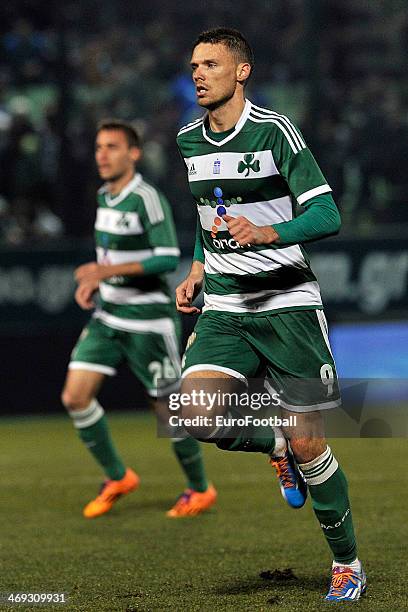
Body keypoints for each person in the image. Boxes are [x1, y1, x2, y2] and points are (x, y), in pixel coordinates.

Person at [175, 28, 365, 601]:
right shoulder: (188, 140)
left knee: (313, 445)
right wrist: (198, 267)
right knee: (194, 411)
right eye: (193, 66)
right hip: (228, 305)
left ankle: (348, 562)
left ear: (242, 71)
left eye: (211, 63)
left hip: (287, 306)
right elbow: (206, 213)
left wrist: (270, 231)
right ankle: (272, 444)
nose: (199, 74)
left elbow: (328, 214)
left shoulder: (275, 131)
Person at [61, 119, 216, 519]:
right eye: (98, 147)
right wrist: (97, 282)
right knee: (75, 397)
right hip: (108, 315)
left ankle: (200, 489)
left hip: (148, 321)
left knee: (169, 411)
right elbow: (109, 255)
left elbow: (166, 257)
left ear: (133, 153)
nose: (103, 155)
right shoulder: (104, 197)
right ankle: (118, 476)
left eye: (112, 147)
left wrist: (106, 273)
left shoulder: (146, 197)